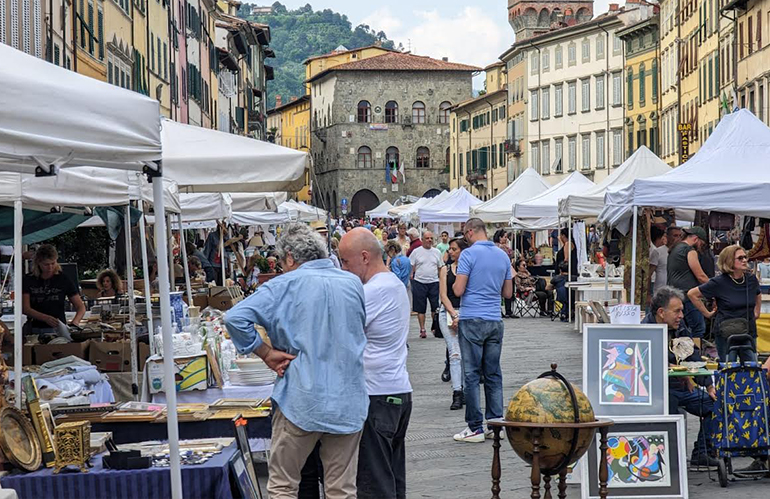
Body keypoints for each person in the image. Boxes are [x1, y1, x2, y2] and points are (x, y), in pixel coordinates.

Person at [225, 223, 369, 499]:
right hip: (347, 398)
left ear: (289, 257)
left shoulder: (283, 285)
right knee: (342, 489)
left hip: (301, 399)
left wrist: (265, 353)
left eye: (281, 262)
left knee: (283, 486)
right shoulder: (352, 283)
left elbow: (235, 318)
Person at [338, 229, 412, 499]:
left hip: (376, 394)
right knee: (391, 478)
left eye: (346, 262)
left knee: (373, 483)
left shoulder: (372, 291)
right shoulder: (394, 284)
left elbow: (340, 334)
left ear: (365, 257)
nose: (344, 269)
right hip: (396, 391)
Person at [452, 218, 513, 443]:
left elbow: (458, 290)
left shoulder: (468, 255)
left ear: (469, 232)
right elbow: (508, 293)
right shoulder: (503, 255)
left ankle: (474, 427)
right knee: (493, 374)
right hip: (494, 319)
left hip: (472, 318)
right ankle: (495, 423)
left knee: (471, 374)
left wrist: (452, 283)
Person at [643, 286, 718, 468]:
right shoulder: (645, 331)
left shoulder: (680, 327)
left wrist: (709, 386)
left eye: (682, 311)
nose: (681, 315)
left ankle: (702, 452)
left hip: (680, 387)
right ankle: (668, 460)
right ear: (661, 312)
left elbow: (692, 355)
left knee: (715, 405)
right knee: (671, 412)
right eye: (677, 311)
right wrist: (665, 365)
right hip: (657, 391)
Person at [688, 244, 761, 361]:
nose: (744, 260)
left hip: (748, 331)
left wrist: (757, 312)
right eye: (740, 258)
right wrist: (707, 313)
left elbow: (757, 293)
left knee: (752, 368)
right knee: (728, 368)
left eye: (745, 257)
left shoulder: (751, 279)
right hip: (726, 332)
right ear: (729, 261)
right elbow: (692, 294)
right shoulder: (719, 282)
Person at [22, 244, 86, 339]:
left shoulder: (63, 279)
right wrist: (45, 318)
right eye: (46, 264)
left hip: (58, 328)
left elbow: (80, 306)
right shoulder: (28, 279)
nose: (50, 268)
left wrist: (75, 322)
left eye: (53, 263)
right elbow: (25, 308)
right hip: (35, 329)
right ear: (38, 263)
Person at [439, 237, 469, 411]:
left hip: (466, 311)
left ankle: (464, 389)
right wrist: (453, 313)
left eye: (454, 249)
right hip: (448, 311)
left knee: (466, 353)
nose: (450, 252)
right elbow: (443, 295)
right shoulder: (445, 270)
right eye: (450, 249)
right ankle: (457, 392)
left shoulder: (470, 270)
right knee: (455, 353)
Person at [667, 226, 710, 344]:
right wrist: (716, 286)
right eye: (702, 243)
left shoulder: (675, 249)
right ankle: (695, 357)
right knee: (698, 328)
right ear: (696, 239)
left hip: (675, 295)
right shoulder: (690, 251)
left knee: (682, 330)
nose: (702, 246)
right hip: (688, 296)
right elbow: (700, 276)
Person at [410, 231, 443, 339]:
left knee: (435, 307)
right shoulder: (416, 251)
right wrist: (411, 275)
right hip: (419, 282)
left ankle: (435, 327)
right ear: (422, 240)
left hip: (433, 282)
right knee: (420, 308)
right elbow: (411, 265)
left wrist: (441, 280)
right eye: (427, 238)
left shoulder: (437, 252)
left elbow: (440, 267)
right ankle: (422, 329)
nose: (429, 240)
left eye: (431, 238)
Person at [649, 225, 669, 294]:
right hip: (659, 289)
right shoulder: (657, 251)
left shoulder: (680, 251)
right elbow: (649, 273)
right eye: (675, 235)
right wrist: (648, 293)